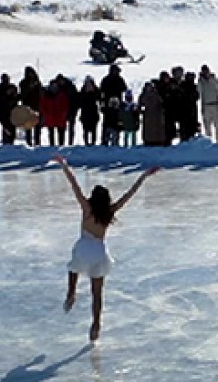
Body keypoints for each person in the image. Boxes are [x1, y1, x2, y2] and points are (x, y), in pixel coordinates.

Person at [53, 155, 158, 341]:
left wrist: (64, 165)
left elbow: (74, 185)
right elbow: (129, 194)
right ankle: (96, 323)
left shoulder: (87, 209)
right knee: (97, 293)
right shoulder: (109, 212)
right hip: (99, 253)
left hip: (84, 247)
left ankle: (71, 292)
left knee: (73, 268)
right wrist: (144, 176)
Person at [197, 65, 218, 144]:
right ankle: (209, 142)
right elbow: (199, 91)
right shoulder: (201, 81)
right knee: (207, 126)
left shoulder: (214, 79)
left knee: (217, 126)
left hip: (215, 104)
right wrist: (201, 80)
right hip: (206, 105)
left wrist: (212, 79)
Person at [40, 77, 70, 146]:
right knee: (51, 132)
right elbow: (42, 105)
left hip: (60, 117)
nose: (54, 88)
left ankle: (61, 145)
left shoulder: (62, 94)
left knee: (61, 132)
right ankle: (51, 145)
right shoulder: (46, 95)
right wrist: (45, 114)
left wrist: (64, 114)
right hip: (50, 116)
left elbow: (65, 105)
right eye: (52, 86)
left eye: (55, 86)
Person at [19, 66, 43, 146]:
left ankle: (37, 143)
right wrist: (30, 87)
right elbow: (23, 95)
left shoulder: (37, 82)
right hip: (27, 108)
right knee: (28, 128)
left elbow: (41, 94)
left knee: (37, 128)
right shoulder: (23, 83)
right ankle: (28, 144)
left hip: (37, 107)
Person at [0, 73, 19, 145]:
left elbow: (16, 97)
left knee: (13, 130)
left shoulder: (13, 87)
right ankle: (6, 144)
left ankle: (11, 143)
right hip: (3, 112)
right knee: (6, 129)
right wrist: (7, 94)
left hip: (13, 112)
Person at [79, 76, 101, 146]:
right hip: (85, 112)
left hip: (93, 112)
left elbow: (99, 97)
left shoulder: (95, 90)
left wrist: (93, 92)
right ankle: (86, 142)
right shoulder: (82, 90)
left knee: (94, 129)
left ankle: (93, 142)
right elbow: (79, 101)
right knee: (85, 129)